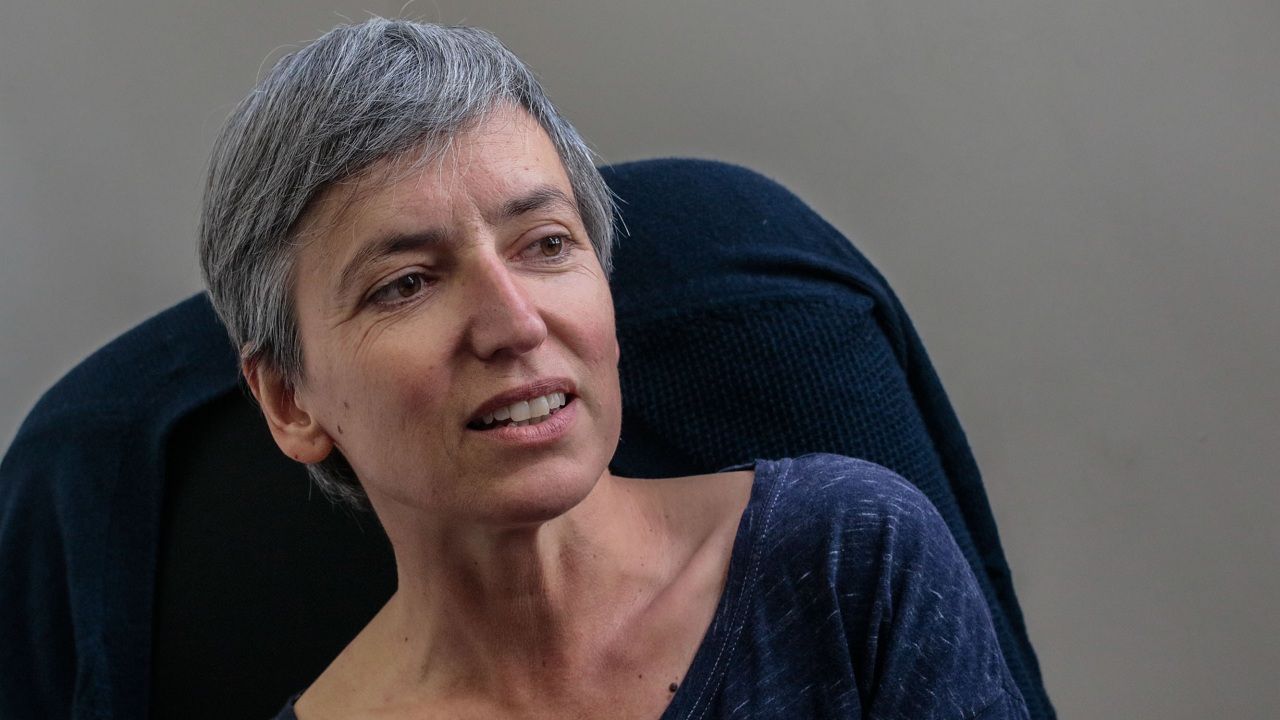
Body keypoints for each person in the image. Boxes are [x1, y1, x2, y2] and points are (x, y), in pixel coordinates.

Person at [198, 18, 1029, 719]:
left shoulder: (851, 562)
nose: (517, 323)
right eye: (406, 284)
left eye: (546, 244)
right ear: (288, 400)